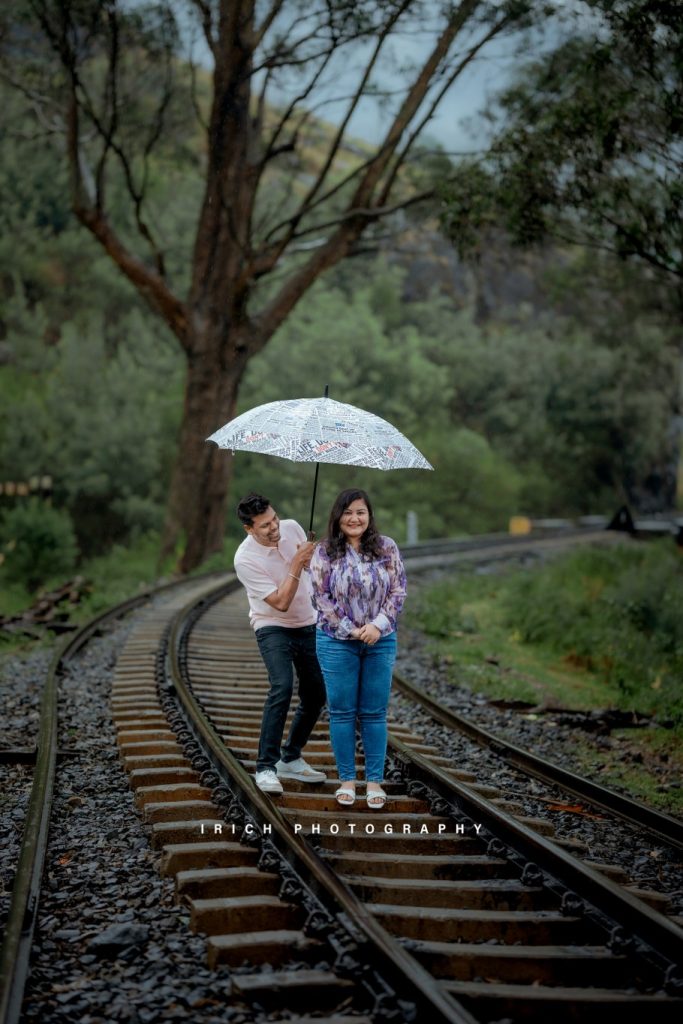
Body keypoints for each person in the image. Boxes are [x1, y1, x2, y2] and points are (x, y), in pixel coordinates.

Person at [309, 488, 406, 809]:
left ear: (369, 516)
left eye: (360, 512)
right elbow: (321, 599)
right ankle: (348, 780)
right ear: (337, 517)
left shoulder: (386, 547)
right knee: (342, 711)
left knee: (374, 712)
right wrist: (352, 629)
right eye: (348, 512)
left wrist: (377, 625)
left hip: (381, 639)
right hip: (336, 642)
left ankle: (374, 781)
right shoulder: (324, 552)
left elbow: (398, 590)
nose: (354, 518)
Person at [233, 492, 327, 794]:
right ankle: (265, 767)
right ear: (249, 529)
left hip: (308, 621)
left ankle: (291, 756)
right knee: (282, 686)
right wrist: (298, 563)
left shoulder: (292, 527)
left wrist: (314, 558)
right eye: (264, 526)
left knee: (316, 692)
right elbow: (281, 602)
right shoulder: (245, 559)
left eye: (274, 519)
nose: (274, 528)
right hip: (272, 625)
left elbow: (316, 573)